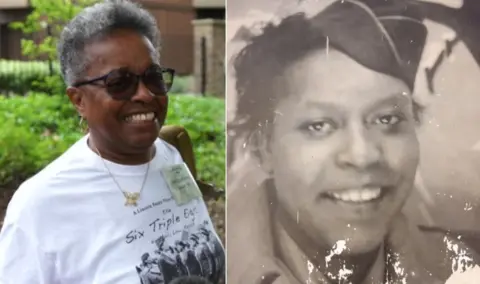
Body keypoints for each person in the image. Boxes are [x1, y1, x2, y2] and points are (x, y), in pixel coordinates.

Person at [227, 0, 480, 283]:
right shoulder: (212, 264)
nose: (363, 155)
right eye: (319, 125)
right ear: (264, 148)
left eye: (387, 120)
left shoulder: (461, 270)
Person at [0, 1, 224, 283]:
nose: (144, 94)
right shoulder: (40, 207)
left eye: (153, 78)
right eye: (119, 82)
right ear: (78, 100)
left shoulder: (170, 155)